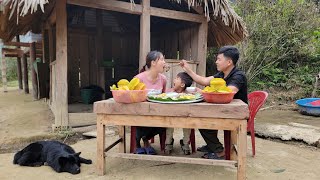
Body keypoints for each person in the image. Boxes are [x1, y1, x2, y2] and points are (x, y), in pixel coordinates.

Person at [179, 46, 248, 159]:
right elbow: (204, 80)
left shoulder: (238, 76)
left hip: (236, 114)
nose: (216, 62)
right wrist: (187, 68)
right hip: (223, 109)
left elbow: (227, 93)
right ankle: (213, 145)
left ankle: (219, 150)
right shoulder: (221, 74)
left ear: (229, 62)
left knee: (203, 120)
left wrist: (203, 92)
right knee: (201, 116)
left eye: (219, 59)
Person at [134, 50, 167, 155]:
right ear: (153, 62)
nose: (164, 62)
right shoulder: (139, 79)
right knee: (142, 119)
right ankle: (138, 143)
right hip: (140, 113)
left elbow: (164, 96)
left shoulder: (163, 79)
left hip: (157, 113)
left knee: (164, 122)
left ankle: (145, 139)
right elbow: (133, 98)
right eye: (162, 59)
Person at [165, 72, 194, 155]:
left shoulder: (188, 94)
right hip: (171, 116)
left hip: (185, 117)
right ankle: (168, 142)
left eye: (177, 78)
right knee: (169, 124)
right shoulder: (169, 92)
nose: (174, 79)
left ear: (182, 84)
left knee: (188, 124)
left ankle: (185, 143)